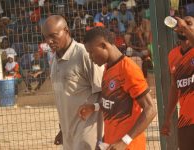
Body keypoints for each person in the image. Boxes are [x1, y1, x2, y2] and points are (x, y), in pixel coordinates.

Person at [78, 27, 157, 150]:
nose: (90, 57)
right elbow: (115, 103)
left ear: (103, 46)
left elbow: (151, 109)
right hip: (111, 145)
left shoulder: (128, 69)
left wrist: (124, 141)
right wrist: (94, 107)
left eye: (91, 52)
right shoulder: (108, 68)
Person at [42, 15, 104, 150]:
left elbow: (104, 92)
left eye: (53, 35)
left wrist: (101, 136)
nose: (49, 41)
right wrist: (62, 130)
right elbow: (63, 99)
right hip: (68, 134)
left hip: (87, 132)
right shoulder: (54, 61)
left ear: (66, 31)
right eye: (46, 37)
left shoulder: (85, 54)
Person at [161, 16, 194, 150]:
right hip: (185, 120)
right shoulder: (173, 55)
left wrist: (184, 28)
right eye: (181, 25)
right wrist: (168, 118)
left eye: (189, 23)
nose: (183, 26)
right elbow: (175, 88)